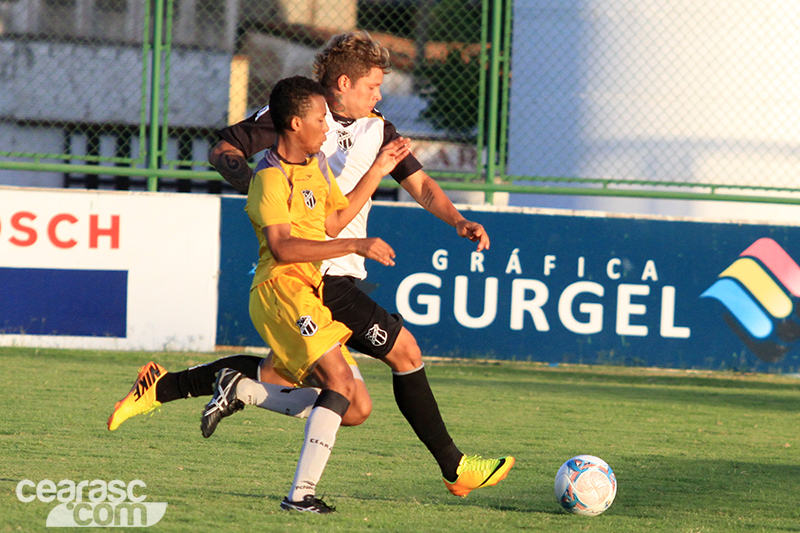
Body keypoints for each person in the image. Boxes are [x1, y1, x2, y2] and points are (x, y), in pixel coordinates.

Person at [108, 31, 514, 500]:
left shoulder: (377, 129)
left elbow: (420, 184)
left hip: (330, 265)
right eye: (373, 86)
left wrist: (459, 220)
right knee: (405, 353)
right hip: (320, 273)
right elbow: (225, 150)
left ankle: (169, 387)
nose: (380, 96)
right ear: (343, 83)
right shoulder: (299, 115)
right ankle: (453, 466)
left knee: (329, 397)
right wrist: (269, 194)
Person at [204, 75, 409, 513]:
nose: (327, 126)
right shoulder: (270, 178)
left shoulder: (313, 169)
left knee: (357, 408)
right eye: (321, 119)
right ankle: (300, 495)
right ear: (296, 123)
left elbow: (334, 222)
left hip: (308, 291)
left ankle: (243, 391)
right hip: (281, 290)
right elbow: (282, 246)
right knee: (338, 382)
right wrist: (356, 245)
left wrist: (377, 171)